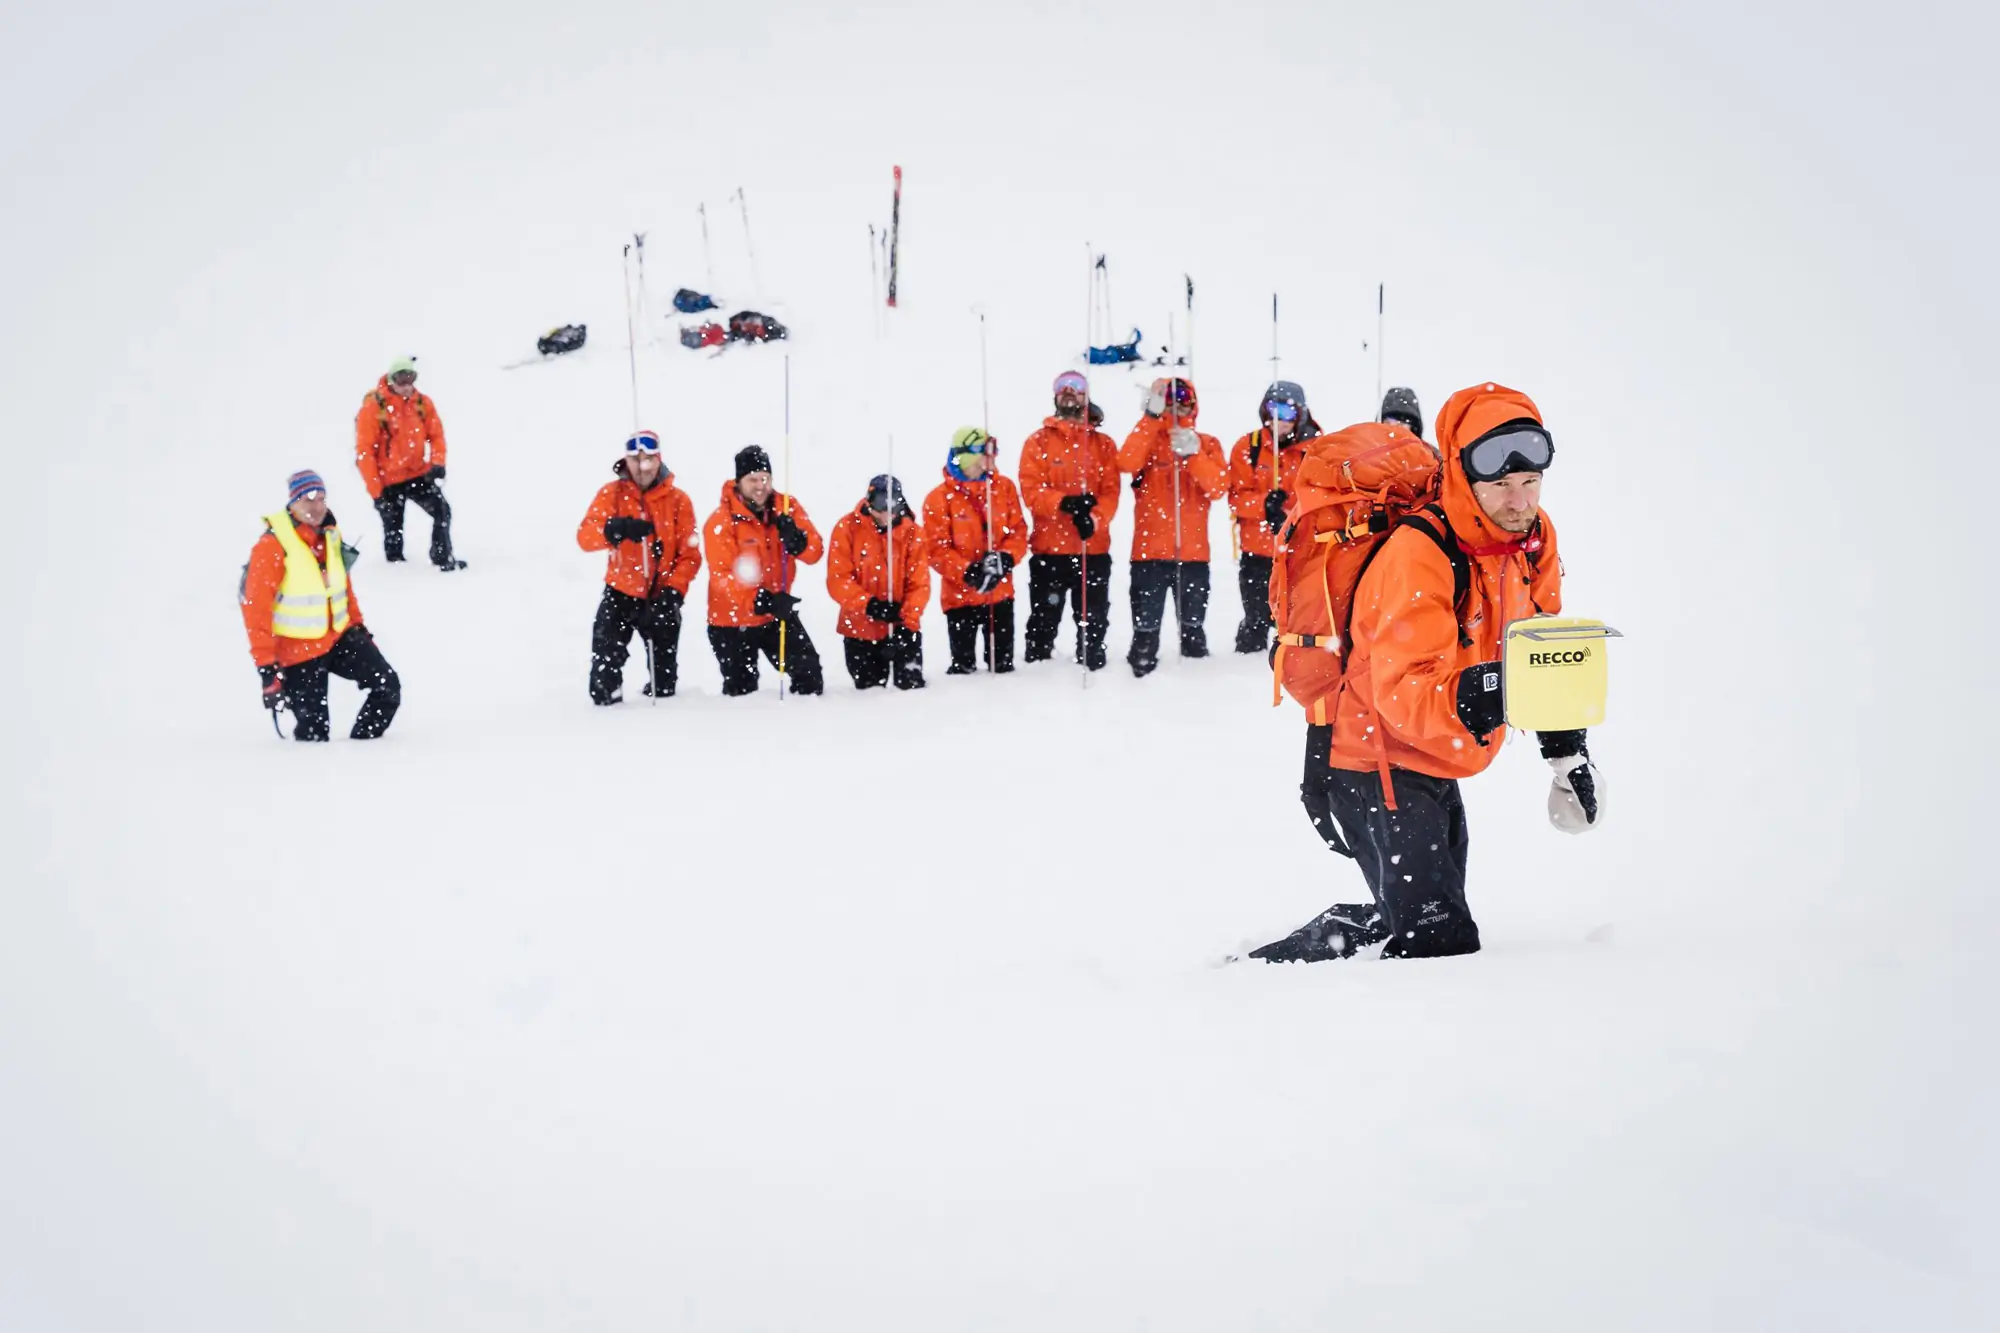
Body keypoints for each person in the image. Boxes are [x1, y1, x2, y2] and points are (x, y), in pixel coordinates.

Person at [1254, 382, 1604, 964]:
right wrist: (1496, 688)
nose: (1519, 502)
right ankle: (1276, 981)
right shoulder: (1421, 551)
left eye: (1530, 483)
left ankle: (1347, 936)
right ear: (1466, 478)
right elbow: (1403, 693)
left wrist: (1567, 752)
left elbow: (1539, 649)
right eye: (1500, 485)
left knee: (1426, 921)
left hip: (1437, 756)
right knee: (1439, 942)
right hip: (1376, 759)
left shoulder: (1532, 539)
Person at [239, 469, 400, 742]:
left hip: (338, 637)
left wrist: (360, 629)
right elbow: (256, 611)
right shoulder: (272, 546)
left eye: (321, 498)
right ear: (293, 503)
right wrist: (267, 670)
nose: (315, 506)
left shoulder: (330, 535)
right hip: (296, 653)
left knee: (388, 687)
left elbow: (344, 589)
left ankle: (367, 755)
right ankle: (315, 778)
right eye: (307, 499)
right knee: (313, 736)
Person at [575, 430, 703, 704]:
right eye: (635, 459)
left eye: (648, 459)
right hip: (619, 592)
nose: (642, 466)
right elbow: (585, 537)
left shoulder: (679, 500)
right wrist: (614, 529)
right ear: (626, 461)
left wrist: (673, 592)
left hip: (662, 597)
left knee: (663, 686)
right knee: (602, 683)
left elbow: (690, 556)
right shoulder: (611, 493)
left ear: (659, 460)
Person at [1114, 376, 1228, 676]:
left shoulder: (1207, 444)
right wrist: (1150, 419)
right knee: (1145, 634)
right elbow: (1125, 462)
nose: (1177, 407)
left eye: (1183, 401)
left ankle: (1191, 694)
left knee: (1193, 632)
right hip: (1149, 555)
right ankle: (1136, 691)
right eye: (1169, 401)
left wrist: (1194, 455)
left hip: (1193, 556)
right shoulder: (1149, 441)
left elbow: (1217, 487)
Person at [1017, 370, 1121, 669]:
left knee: (1093, 620)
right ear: (1055, 396)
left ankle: (1093, 672)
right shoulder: (1037, 442)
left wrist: (1094, 518)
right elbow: (1031, 490)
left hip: (1093, 550)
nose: (1069, 392)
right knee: (1042, 620)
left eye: (1077, 387)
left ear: (1086, 396)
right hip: (1050, 552)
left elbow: (1111, 494)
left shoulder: (1103, 445)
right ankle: (1036, 671)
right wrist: (1065, 503)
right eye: (1063, 387)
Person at [703, 445, 825, 696]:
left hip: (775, 615)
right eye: (752, 480)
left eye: (765, 478)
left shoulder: (787, 507)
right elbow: (722, 576)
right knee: (742, 692)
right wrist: (761, 600)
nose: (760, 486)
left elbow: (814, 553)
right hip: (732, 621)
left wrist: (799, 542)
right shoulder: (720, 521)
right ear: (739, 482)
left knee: (809, 675)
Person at [923, 427, 1029, 674]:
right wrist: (968, 571)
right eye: (987, 452)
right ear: (970, 455)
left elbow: (1018, 532)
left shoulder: (1004, 488)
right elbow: (935, 549)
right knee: (963, 671)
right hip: (960, 599)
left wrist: (1006, 558)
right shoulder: (937, 499)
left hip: (999, 594)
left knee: (1002, 669)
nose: (994, 457)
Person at [1226, 381, 1322, 654]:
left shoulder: (1315, 449)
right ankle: (1243, 668)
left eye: (1287, 412)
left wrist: (1290, 515)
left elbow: (1320, 497)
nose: (1278, 420)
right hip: (1257, 552)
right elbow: (1234, 496)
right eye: (1272, 410)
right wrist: (1263, 506)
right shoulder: (1249, 446)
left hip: (1300, 554)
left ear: (1300, 414)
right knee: (1256, 618)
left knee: (1297, 623)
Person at [354, 355, 464, 571]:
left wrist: (437, 463)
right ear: (391, 379)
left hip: (417, 474)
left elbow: (436, 435)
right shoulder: (375, 408)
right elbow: (365, 453)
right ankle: (397, 575)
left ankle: (442, 558)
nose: (406, 385)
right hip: (389, 482)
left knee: (442, 511)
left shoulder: (422, 403)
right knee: (393, 532)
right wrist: (377, 493)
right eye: (401, 379)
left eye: (410, 378)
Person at [827, 475, 930, 690]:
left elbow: (919, 584)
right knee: (869, 695)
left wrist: (907, 623)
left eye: (894, 505)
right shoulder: (847, 528)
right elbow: (838, 580)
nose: (887, 513)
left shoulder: (913, 533)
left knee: (911, 690)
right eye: (882, 504)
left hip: (903, 627)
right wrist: (869, 605)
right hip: (859, 631)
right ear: (869, 501)